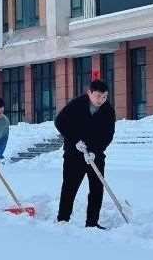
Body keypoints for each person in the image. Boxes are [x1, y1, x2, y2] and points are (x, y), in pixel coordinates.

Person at [54, 79, 116, 229]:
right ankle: (63, 219)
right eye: (98, 96)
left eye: (104, 97)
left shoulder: (108, 110)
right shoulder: (76, 105)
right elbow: (60, 122)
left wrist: (95, 151)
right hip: (74, 154)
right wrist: (75, 141)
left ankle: (92, 223)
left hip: (96, 155)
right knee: (70, 186)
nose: (101, 100)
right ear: (89, 93)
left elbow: (108, 134)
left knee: (97, 188)